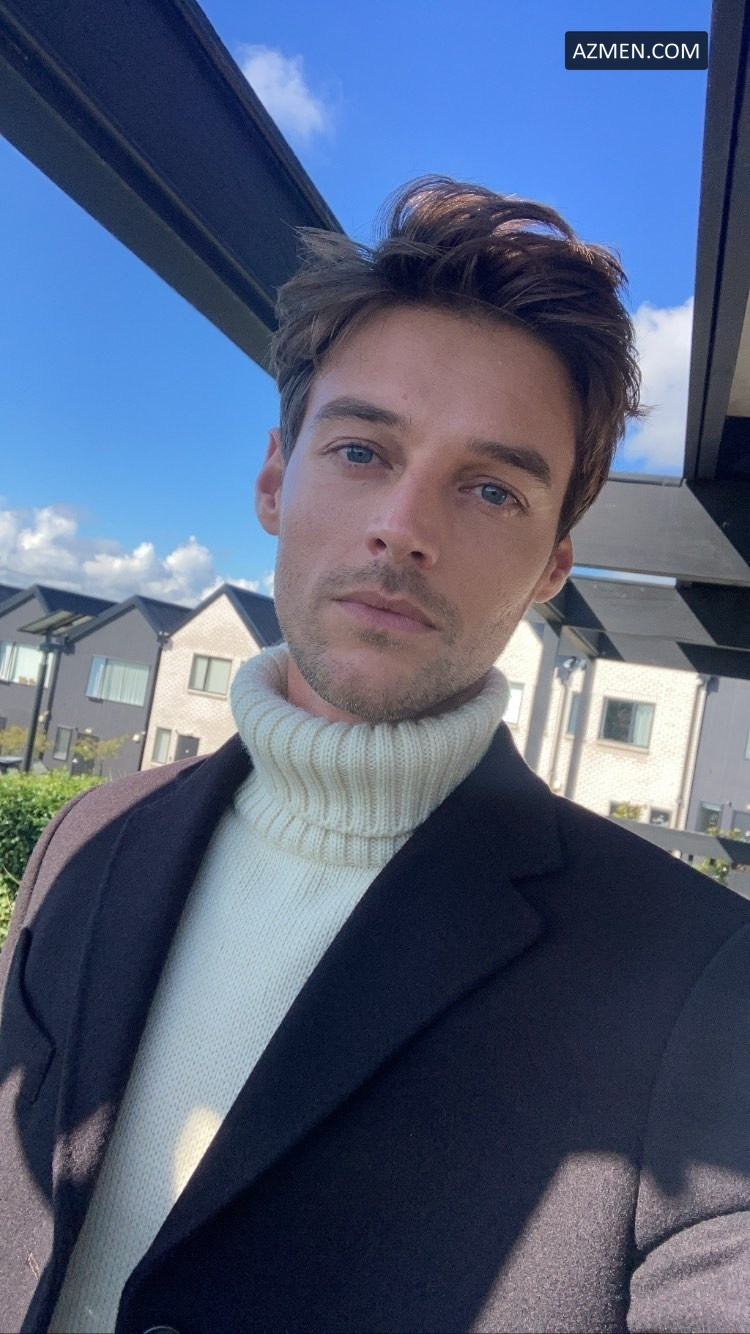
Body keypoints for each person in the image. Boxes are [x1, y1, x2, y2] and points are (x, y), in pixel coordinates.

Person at [1, 176, 749, 1334]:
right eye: (361, 449)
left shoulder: (704, 976)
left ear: (552, 566)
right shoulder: (85, 840)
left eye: (490, 488)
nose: (405, 525)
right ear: (273, 477)